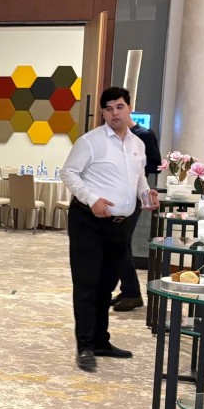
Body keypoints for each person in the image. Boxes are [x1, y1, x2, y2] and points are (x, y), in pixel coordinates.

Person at [61, 86, 158, 373]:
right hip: (88, 223)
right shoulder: (90, 142)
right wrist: (92, 199)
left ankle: (101, 341)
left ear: (129, 108)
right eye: (108, 109)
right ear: (102, 112)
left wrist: (146, 194)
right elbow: (68, 173)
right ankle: (85, 346)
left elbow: (139, 177)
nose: (114, 113)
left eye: (119, 107)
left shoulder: (137, 144)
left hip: (119, 225)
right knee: (87, 285)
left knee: (107, 285)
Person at [111, 114, 162, 312]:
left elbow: (154, 165)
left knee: (120, 244)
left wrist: (132, 167)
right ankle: (128, 290)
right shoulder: (115, 137)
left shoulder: (144, 135)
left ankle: (132, 293)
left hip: (133, 195)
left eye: (119, 108)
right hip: (116, 196)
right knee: (119, 244)